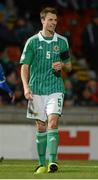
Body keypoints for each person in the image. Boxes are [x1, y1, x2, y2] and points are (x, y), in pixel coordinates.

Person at [20, 7, 72, 174]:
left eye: (55, 20)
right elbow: (24, 67)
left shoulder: (62, 41)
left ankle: (52, 162)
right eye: (50, 20)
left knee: (53, 122)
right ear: (43, 21)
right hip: (36, 89)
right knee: (41, 127)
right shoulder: (32, 42)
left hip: (55, 88)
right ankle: (41, 164)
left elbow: (69, 66)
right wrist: (26, 87)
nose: (53, 23)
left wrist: (62, 65)